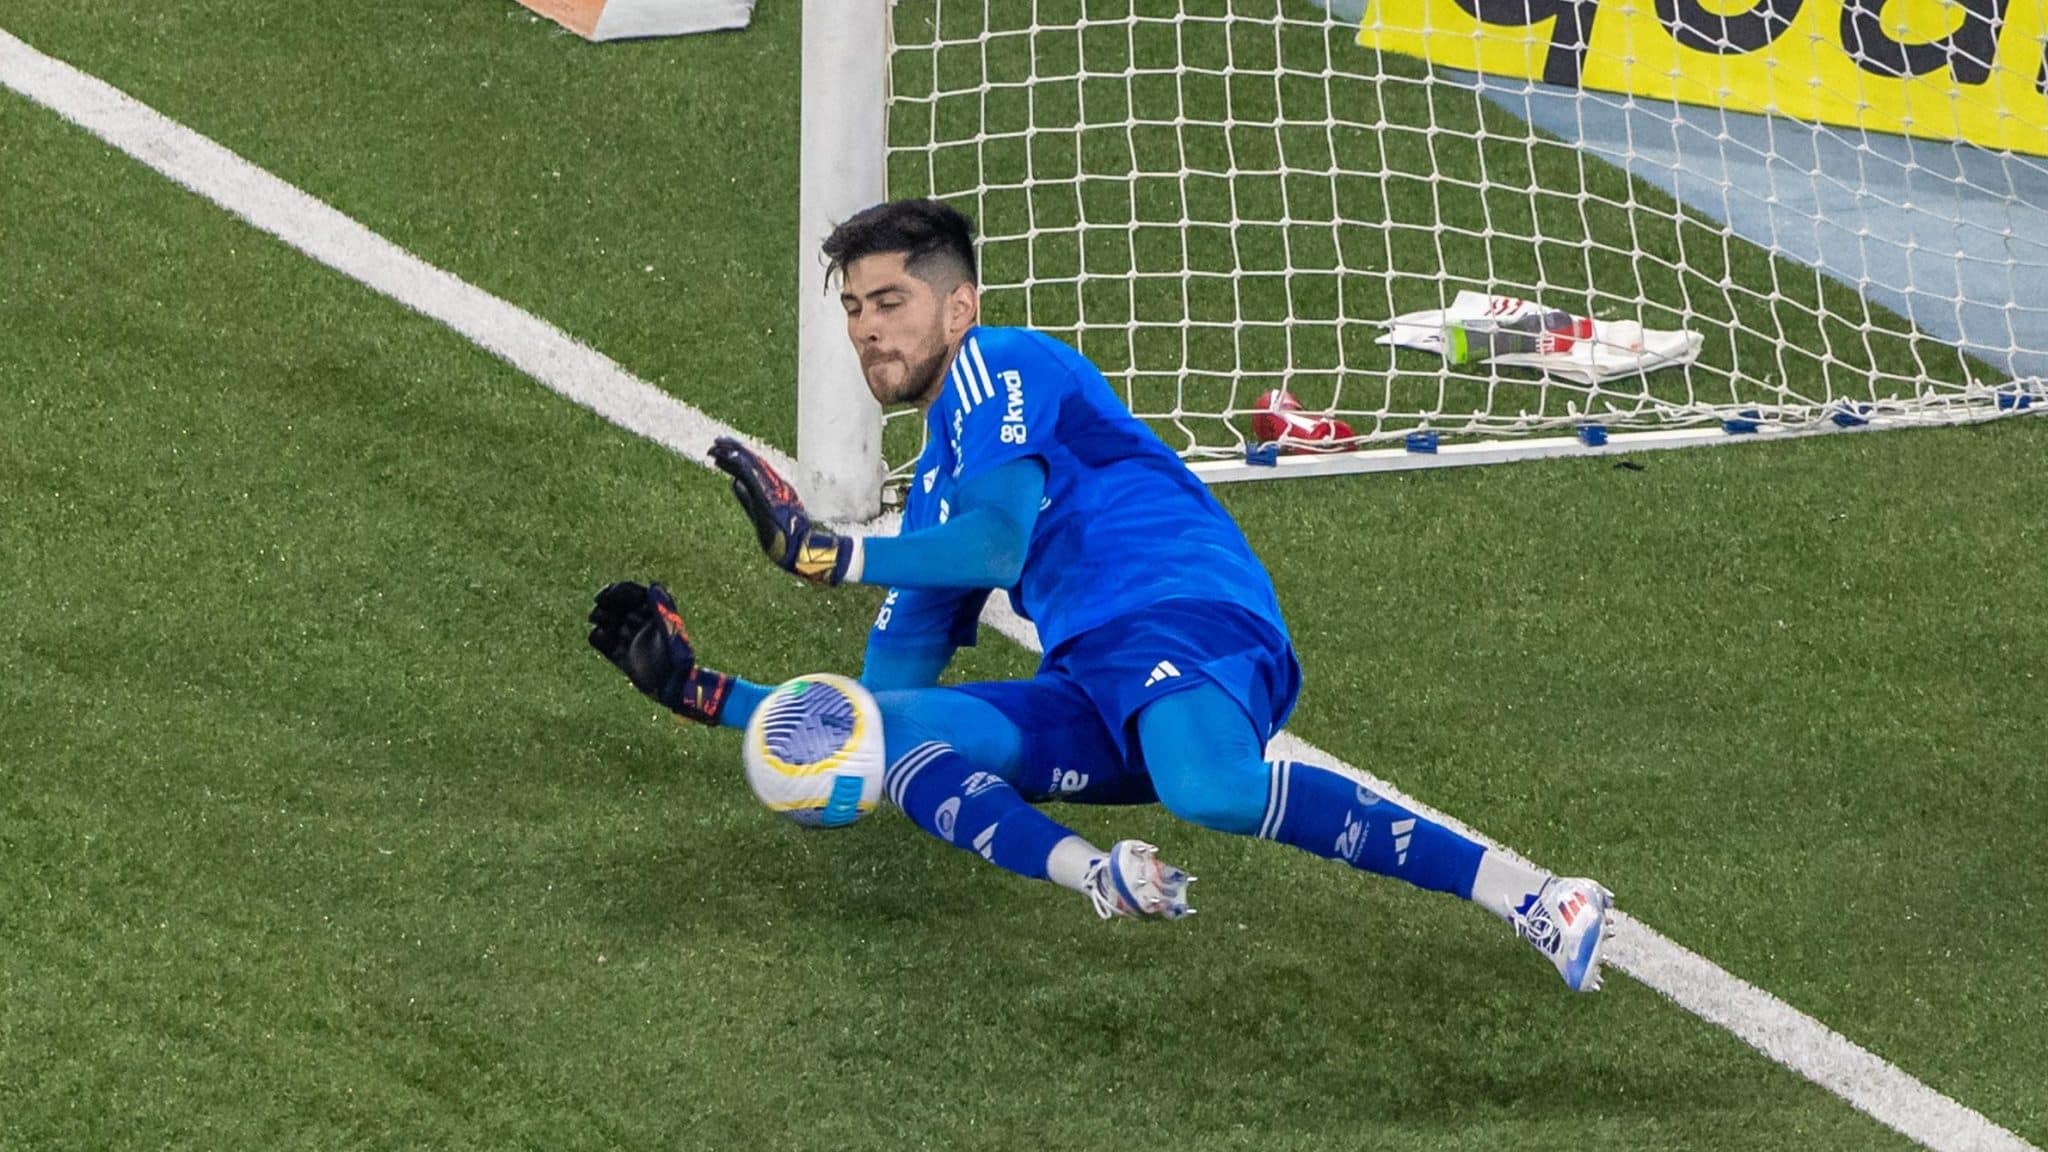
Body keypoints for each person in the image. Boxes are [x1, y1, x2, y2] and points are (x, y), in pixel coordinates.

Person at [587, 198, 1615, 990]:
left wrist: (827, 557)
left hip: (1181, 609)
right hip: (1091, 669)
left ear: (958, 305)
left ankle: (1531, 896)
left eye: (888, 302)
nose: (865, 329)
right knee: (893, 739)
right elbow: (864, 713)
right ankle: (1097, 873)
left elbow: (995, 544)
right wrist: (704, 692)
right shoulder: (936, 482)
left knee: (1205, 785)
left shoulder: (1000, 363)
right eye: (852, 308)